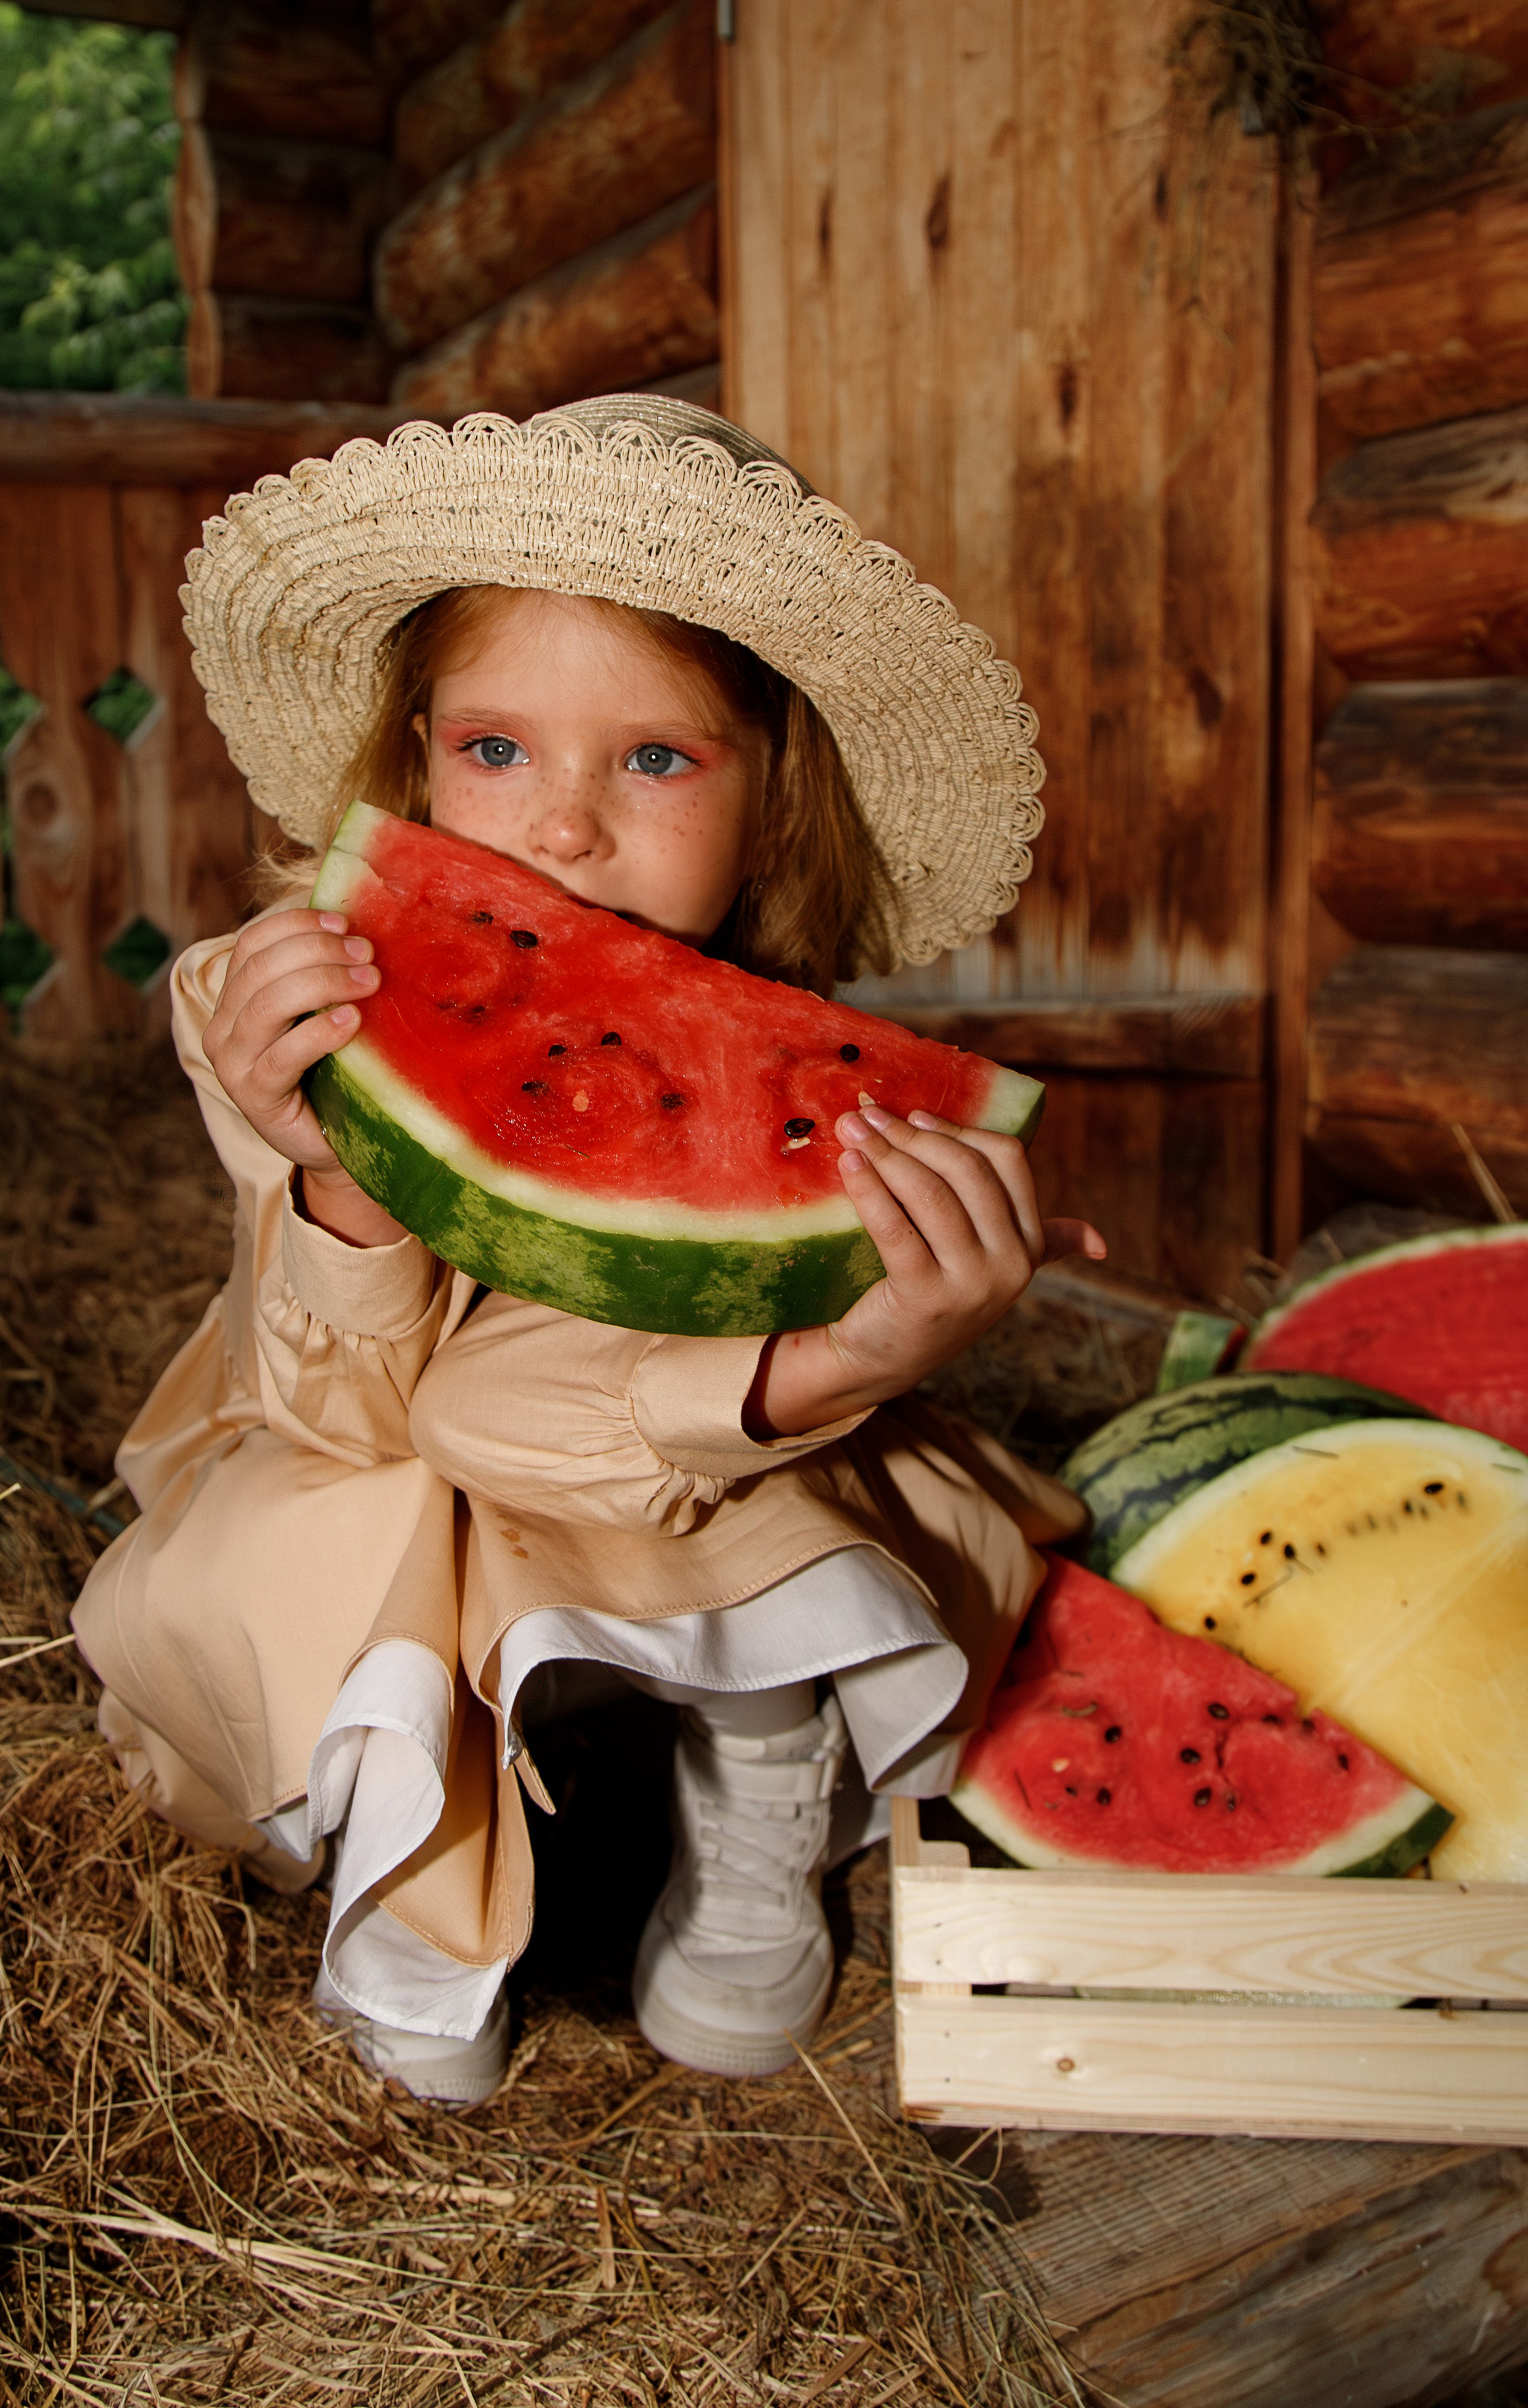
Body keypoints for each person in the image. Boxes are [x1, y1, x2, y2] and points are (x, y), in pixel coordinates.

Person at [73, 395, 1104, 2104]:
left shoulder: (795, 1082)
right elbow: (346, 1410)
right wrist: (343, 1182)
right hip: (365, 1448)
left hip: (696, 1486)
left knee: (739, 1473)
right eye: (494, 751)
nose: (560, 831)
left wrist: (875, 1347)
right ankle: (413, 1897)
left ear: (775, 799)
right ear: (407, 763)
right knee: (385, 1485)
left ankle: (760, 1793)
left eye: (654, 758)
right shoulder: (262, 1002)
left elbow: (648, 1369)